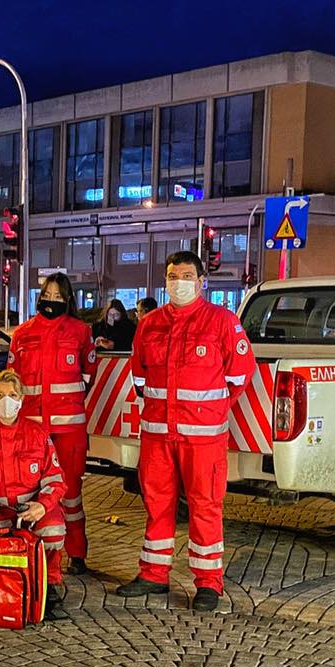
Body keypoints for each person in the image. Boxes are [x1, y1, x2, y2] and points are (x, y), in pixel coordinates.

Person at [117, 251, 255, 611]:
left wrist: (210, 411)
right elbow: (141, 377)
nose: (179, 282)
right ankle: (153, 575)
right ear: (165, 281)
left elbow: (239, 376)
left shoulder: (222, 322)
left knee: (205, 507)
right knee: (157, 505)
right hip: (159, 435)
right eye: (173, 275)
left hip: (203, 438)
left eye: (187, 275)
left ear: (201, 281)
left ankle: (208, 582)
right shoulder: (150, 324)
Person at [0, 369, 69, 619]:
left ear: (21, 399)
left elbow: (56, 479)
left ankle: (49, 584)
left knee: (54, 530)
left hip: (31, 507)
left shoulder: (37, 433)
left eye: (11, 394)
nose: (5, 401)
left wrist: (42, 506)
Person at [9, 273, 98, 576]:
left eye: (59, 296)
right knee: (29, 490)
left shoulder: (80, 331)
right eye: (48, 294)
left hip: (69, 430)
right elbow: (12, 380)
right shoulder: (22, 334)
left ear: (68, 300)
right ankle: (31, 548)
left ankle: (77, 552)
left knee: (70, 493)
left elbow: (89, 374)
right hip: (32, 429)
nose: (52, 300)